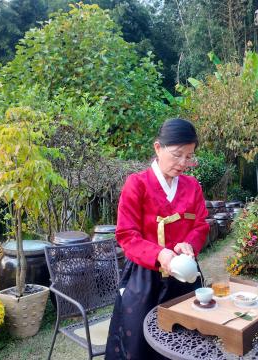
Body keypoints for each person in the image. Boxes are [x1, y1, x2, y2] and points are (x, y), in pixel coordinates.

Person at [105, 118, 210, 359]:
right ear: (157, 148)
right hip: (144, 280)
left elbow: (200, 224)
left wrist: (189, 245)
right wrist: (160, 254)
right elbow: (126, 235)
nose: (183, 163)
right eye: (177, 154)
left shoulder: (192, 186)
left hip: (184, 279)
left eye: (189, 156)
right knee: (141, 346)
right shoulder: (137, 185)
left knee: (186, 340)